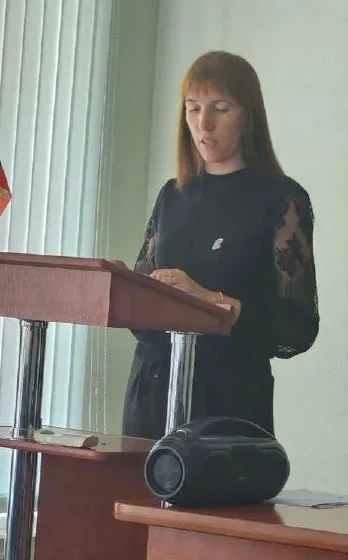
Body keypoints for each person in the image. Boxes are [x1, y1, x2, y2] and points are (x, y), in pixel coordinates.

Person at [122, 50, 319, 440]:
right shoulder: (172, 195)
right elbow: (138, 310)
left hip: (228, 404)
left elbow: (297, 329)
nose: (204, 124)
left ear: (247, 115)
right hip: (152, 395)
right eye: (193, 109)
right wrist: (123, 286)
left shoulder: (281, 199)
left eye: (220, 109)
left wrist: (212, 302)